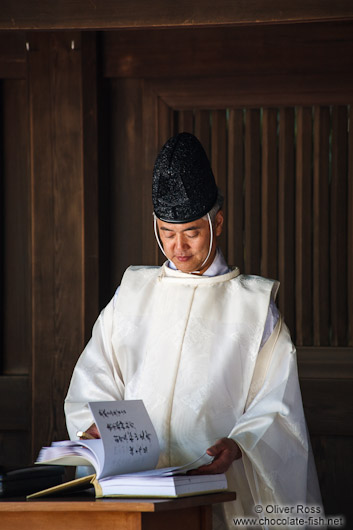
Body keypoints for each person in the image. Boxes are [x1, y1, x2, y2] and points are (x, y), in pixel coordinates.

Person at [65, 132, 322, 529]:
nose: (178, 247)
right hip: (134, 492)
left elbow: (277, 408)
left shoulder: (254, 308)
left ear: (217, 222)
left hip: (214, 490)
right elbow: (96, 377)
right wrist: (98, 424)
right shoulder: (132, 295)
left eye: (191, 233)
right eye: (167, 234)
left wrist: (238, 445)